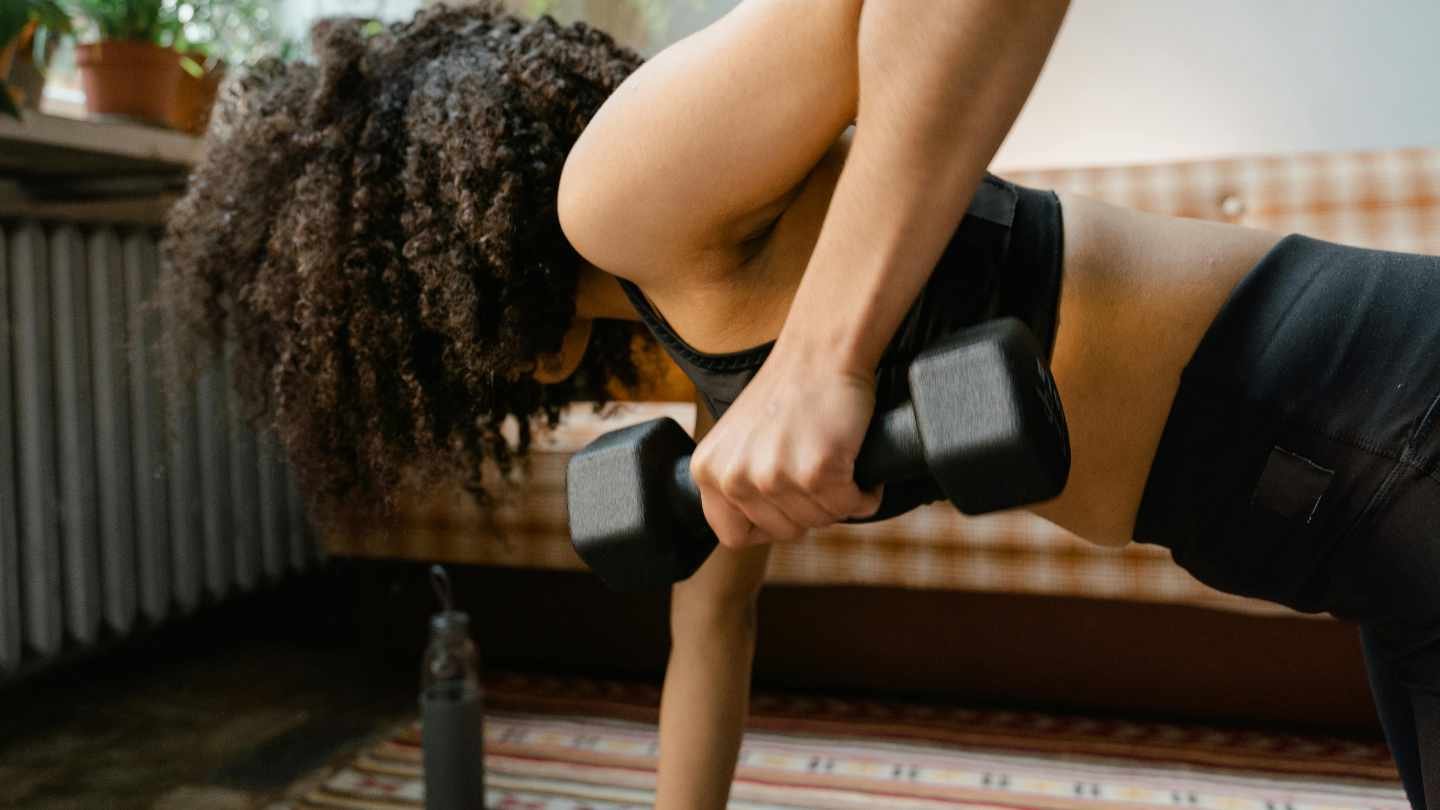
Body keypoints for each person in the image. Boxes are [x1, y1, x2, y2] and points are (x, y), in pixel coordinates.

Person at [158, 1, 1440, 807]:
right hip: (1333, 523)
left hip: (1371, 408)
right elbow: (707, 648)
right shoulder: (714, 387)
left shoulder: (614, 190)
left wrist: (829, 357)